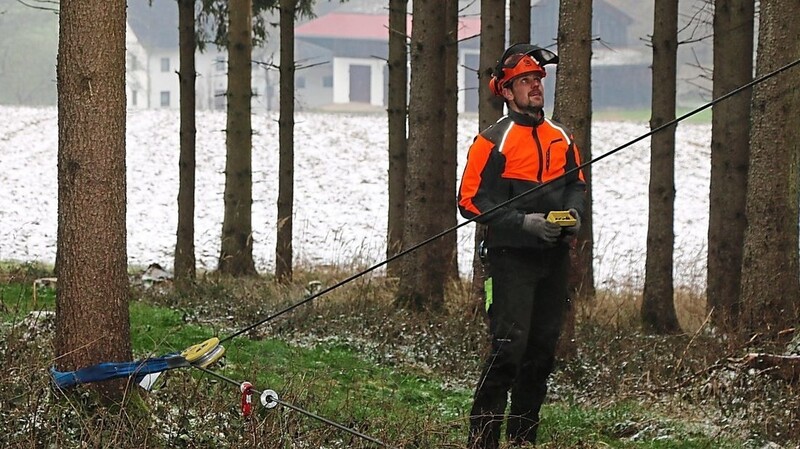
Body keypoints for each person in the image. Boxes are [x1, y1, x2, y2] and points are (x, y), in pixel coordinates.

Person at [457, 43, 587, 448]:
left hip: (554, 260)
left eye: (537, 80)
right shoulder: (491, 141)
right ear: (506, 91)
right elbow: (468, 200)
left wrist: (573, 216)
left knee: (542, 352)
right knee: (508, 350)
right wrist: (523, 224)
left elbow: (576, 187)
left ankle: (523, 437)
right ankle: (482, 439)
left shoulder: (561, 137)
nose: (535, 87)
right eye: (525, 82)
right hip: (509, 259)